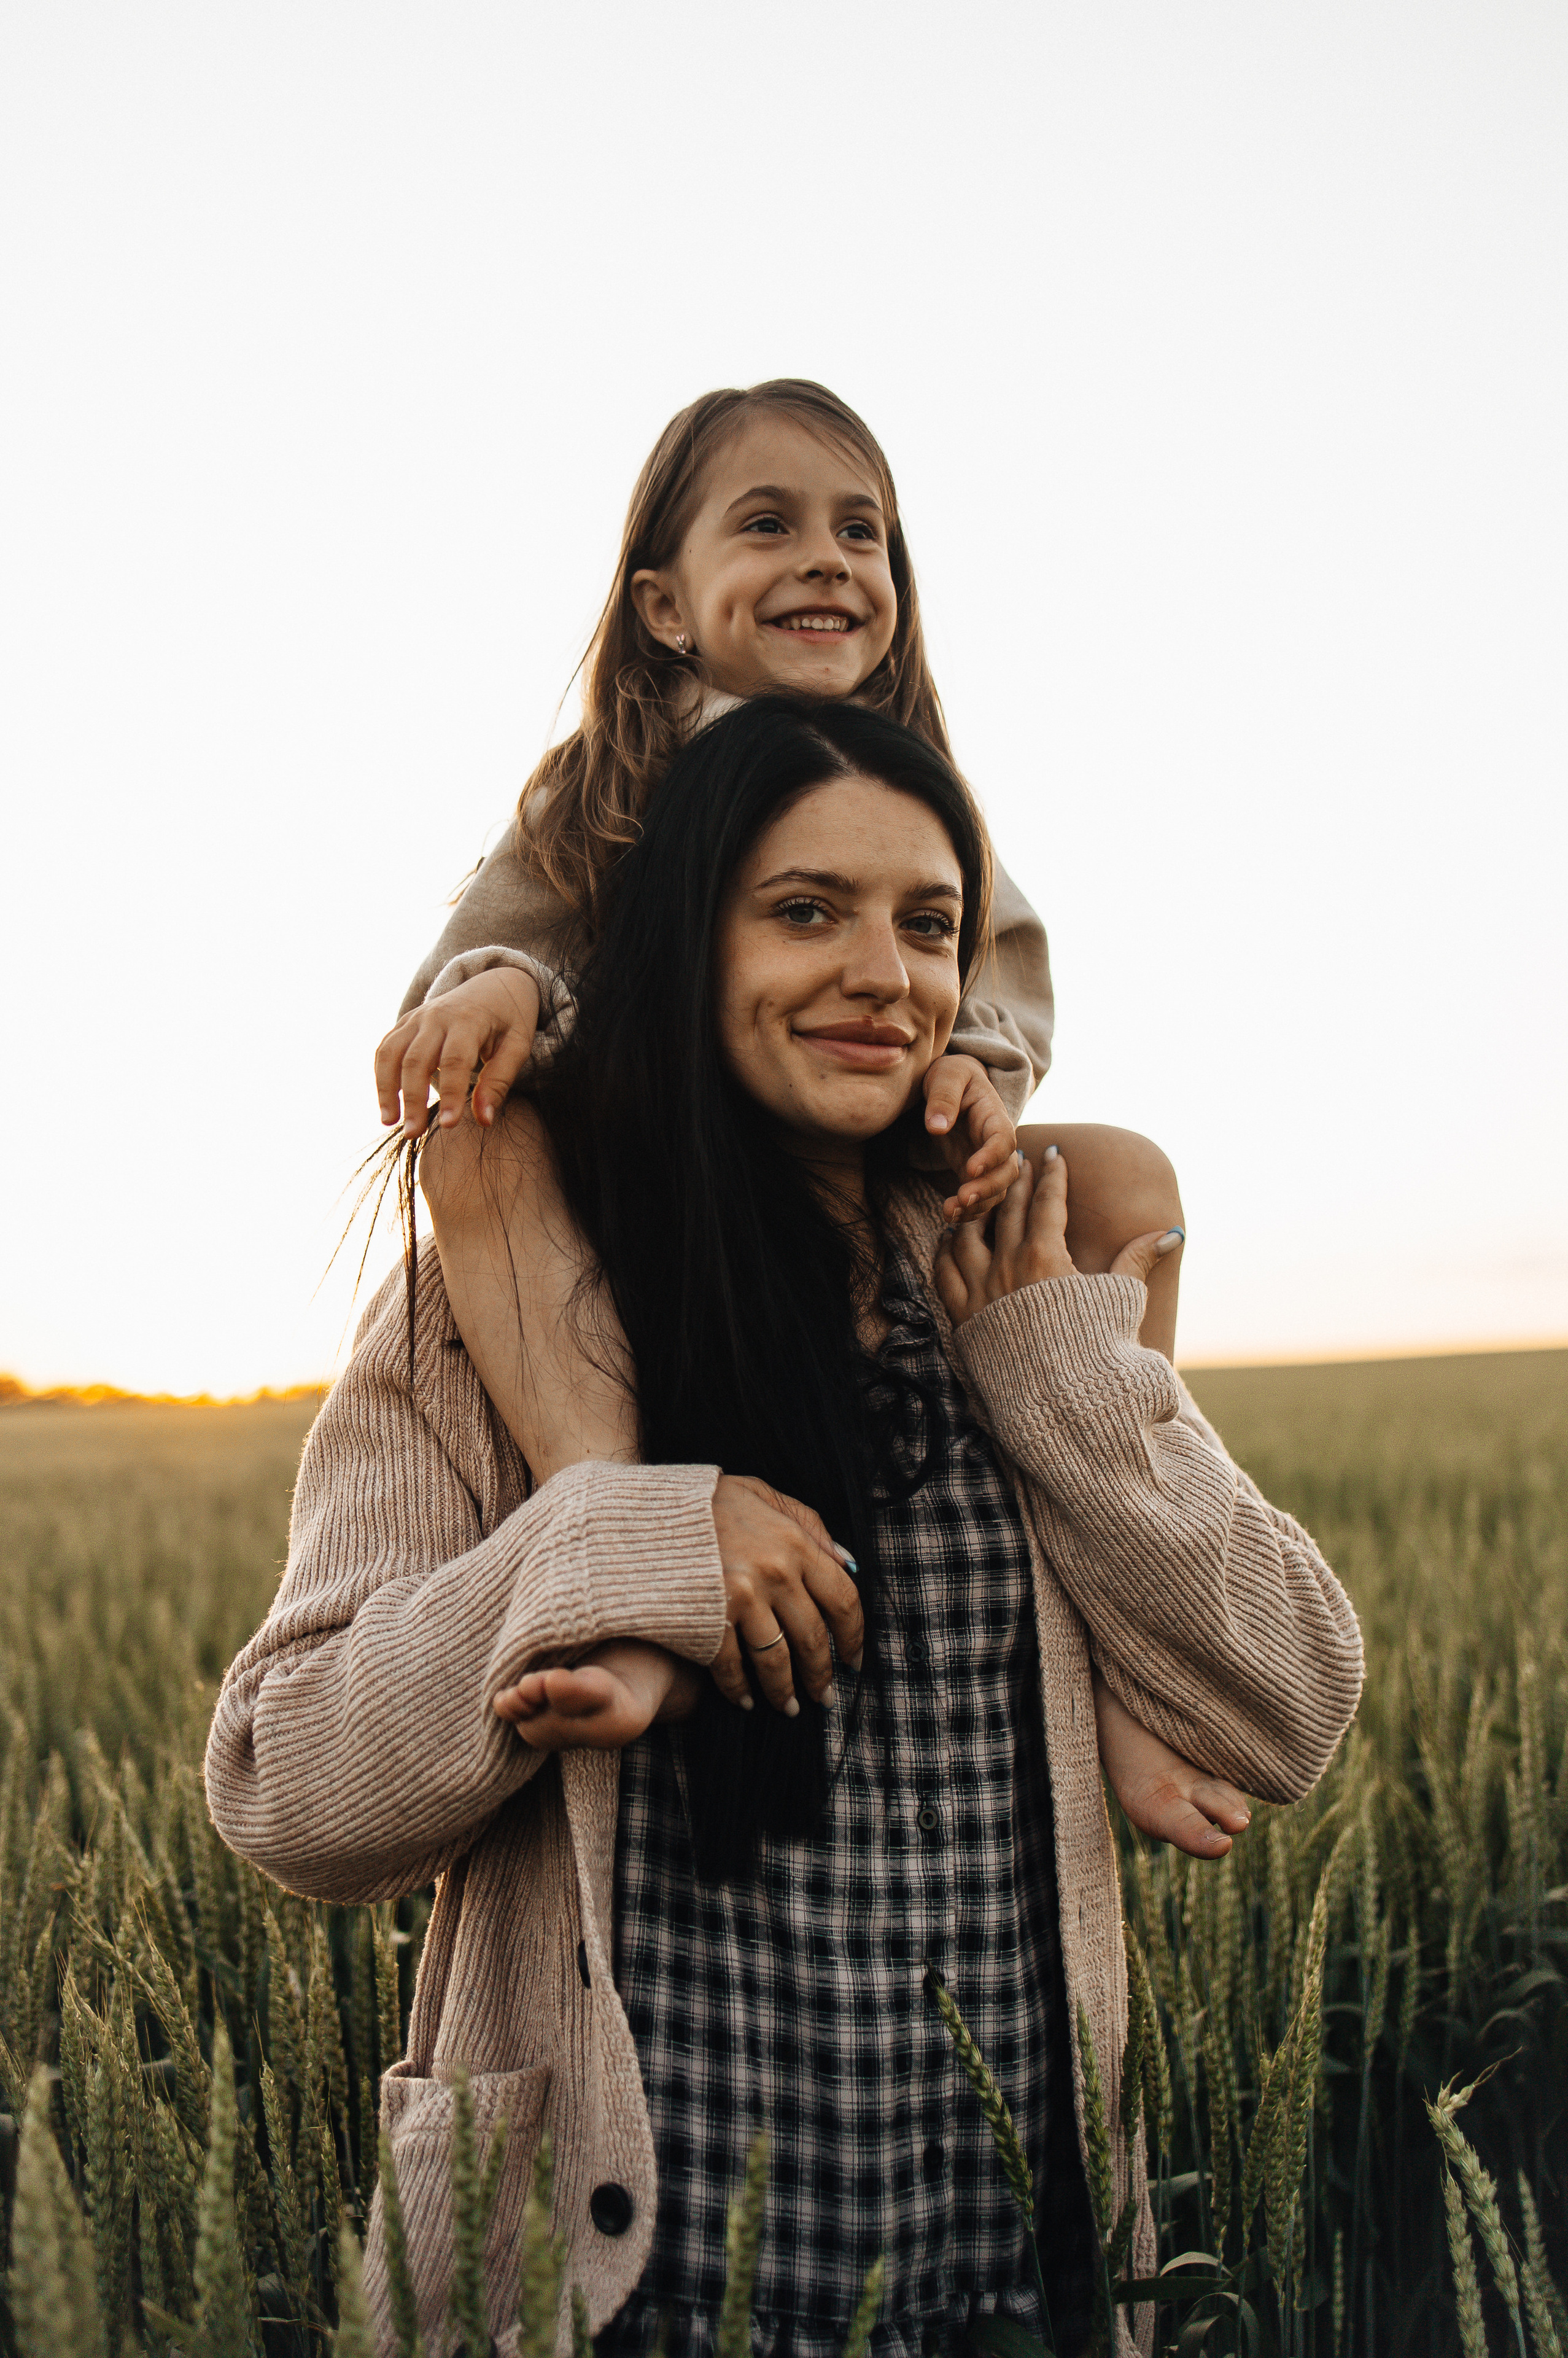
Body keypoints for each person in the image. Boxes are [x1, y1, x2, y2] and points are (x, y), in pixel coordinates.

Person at [206, 698, 1364, 2358]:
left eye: (930, 924)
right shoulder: (492, 1310)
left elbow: (1288, 1703)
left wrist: (1050, 1371)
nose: (884, 973)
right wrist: (627, 1540)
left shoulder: (1001, 1278)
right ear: (686, 942)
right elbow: (288, 1781)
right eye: (806, 911)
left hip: (1000, 2295)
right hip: (614, 2304)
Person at [370, 375, 1219, 1854]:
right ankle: (618, 1535)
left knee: (1128, 1178)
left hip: (865, 1151)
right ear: (662, 606)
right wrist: (499, 987)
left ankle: (1129, 1652)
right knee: (471, 1139)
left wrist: (976, 1073)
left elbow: (999, 971)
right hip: (652, 1160)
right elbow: (502, 946)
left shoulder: (909, 784)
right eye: (767, 525)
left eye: (860, 530)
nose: (826, 558)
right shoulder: (605, 783)